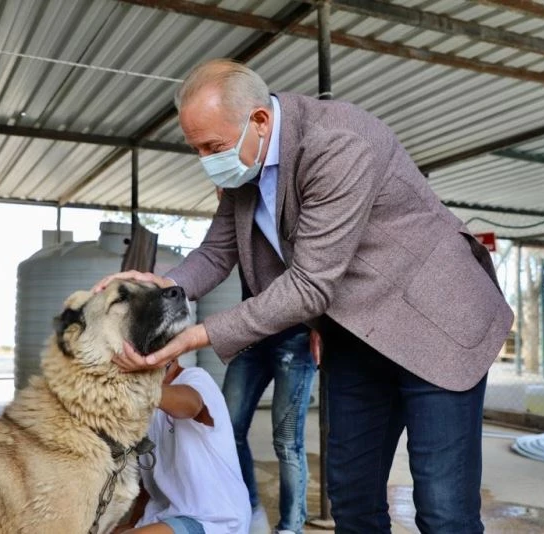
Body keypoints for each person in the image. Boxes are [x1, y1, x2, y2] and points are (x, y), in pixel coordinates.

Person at [96, 58, 514, 533]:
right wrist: (155, 290)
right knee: (352, 498)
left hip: (435, 325)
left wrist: (195, 336)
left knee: (443, 509)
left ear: (259, 120)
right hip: (359, 336)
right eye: (197, 149)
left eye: (212, 146)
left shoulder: (337, 143)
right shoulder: (245, 172)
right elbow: (214, 254)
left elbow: (309, 286)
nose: (207, 161)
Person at [216, 183, 317, 534]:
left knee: (287, 441)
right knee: (228, 428)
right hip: (253, 336)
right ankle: (252, 511)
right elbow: (213, 257)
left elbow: (318, 275)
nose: (222, 193)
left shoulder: (288, 213)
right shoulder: (234, 219)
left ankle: (291, 527)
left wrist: (322, 325)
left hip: (295, 337)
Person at [117, 358, 251, 534]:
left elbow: (193, 406)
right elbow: (151, 483)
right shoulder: (143, 406)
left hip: (214, 519)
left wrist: (139, 385)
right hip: (168, 515)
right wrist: (134, 523)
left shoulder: (196, 379)